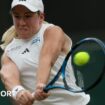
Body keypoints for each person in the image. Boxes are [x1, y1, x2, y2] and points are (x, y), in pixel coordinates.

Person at [0, 0, 90, 105]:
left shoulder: (52, 31)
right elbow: (8, 75)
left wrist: (40, 84)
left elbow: (46, 59)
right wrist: (18, 91)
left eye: (28, 16)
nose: (21, 22)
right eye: (17, 16)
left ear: (41, 16)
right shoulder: (9, 51)